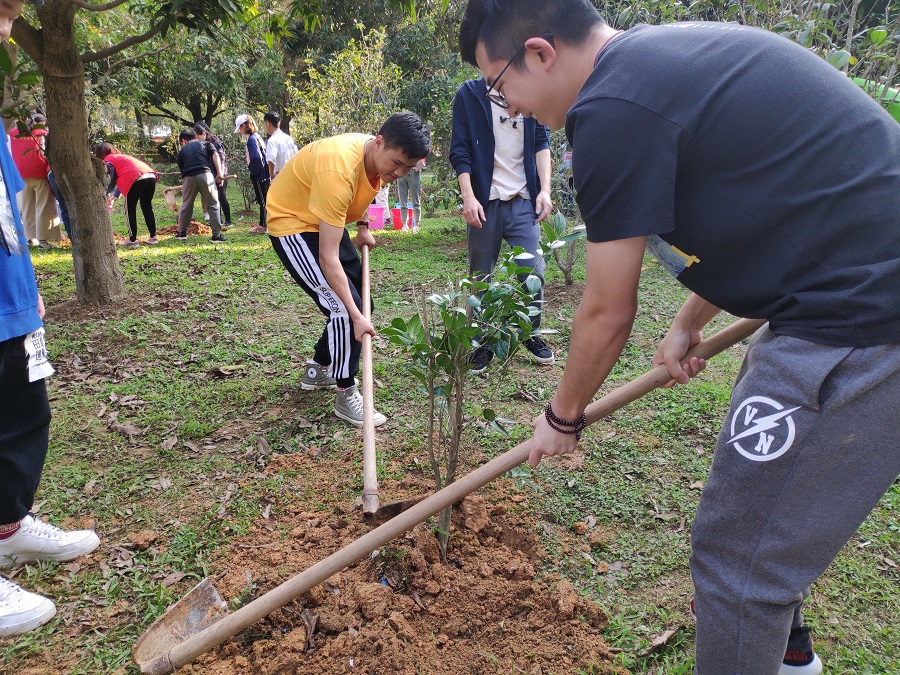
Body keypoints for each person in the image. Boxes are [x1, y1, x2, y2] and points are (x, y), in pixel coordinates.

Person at [458, 2, 900, 675]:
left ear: (541, 53)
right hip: (839, 294)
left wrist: (562, 415)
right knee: (764, 513)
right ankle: (789, 655)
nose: (509, 107)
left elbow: (606, 310)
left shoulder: (611, 108)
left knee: (736, 562)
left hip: (863, 316)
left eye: (500, 86)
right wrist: (689, 321)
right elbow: (763, 208)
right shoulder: (657, 65)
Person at [0, 0, 101, 638]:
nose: (7, 32)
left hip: (9, 298)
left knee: (21, 417)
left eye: (11, 16)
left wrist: (25, 287)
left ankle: (7, 529)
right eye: (1, 12)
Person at [265, 111, 431, 427]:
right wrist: (355, 317)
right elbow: (328, 258)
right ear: (379, 142)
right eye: (396, 163)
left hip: (325, 218)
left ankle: (318, 368)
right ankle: (345, 391)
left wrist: (364, 225)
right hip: (293, 222)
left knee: (361, 302)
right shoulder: (338, 169)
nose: (398, 173)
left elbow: (371, 185)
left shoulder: (378, 158)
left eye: (407, 169)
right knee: (344, 308)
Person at [449, 76, 554, 373]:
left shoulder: (531, 87)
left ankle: (530, 333)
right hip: (485, 200)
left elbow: (541, 142)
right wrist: (469, 198)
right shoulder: (470, 95)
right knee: (481, 276)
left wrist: (544, 190)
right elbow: (461, 150)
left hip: (524, 200)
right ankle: (480, 342)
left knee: (534, 270)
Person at [8, 112, 62, 249]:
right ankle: (43, 240)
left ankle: (30, 237)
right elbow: (44, 153)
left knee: (27, 207)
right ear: (41, 122)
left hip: (21, 173)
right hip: (39, 172)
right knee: (44, 206)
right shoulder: (42, 133)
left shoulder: (14, 133)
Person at [94, 143, 158, 248]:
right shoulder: (120, 157)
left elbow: (112, 179)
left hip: (136, 177)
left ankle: (132, 239)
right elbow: (124, 176)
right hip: (150, 175)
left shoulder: (107, 160)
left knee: (130, 208)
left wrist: (105, 193)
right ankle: (153, 237)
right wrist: (114, 196)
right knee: (146, 206)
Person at [175, 128, 226, 243]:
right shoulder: (206, 144)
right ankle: (216, 235)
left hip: (189, 177)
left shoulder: (182, 151)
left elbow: (182, 169)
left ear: (184, 141)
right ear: (195, 137)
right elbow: (215, 156)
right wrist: (219, 173)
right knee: (213, 204)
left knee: (186, 204)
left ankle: (182, 233)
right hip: (205, 175)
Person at [193, 122, 232, 231]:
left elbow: (221, 160)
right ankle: (218, 220)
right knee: (214, 199)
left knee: (221, 197)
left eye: (198, 136)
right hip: (211, 175)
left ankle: (228, 220)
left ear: (203, 133)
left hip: (220, 175)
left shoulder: (215, 144)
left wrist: (221, 175)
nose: (197, 140)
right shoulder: (204, 145)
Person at [235, 114, 269, 234]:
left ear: (244, 126)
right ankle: (264, 224)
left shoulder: (251, 139)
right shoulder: (256, 137)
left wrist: (255, 172)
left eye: (239, 128)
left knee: (263, 201)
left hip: (260, 175)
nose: (239, 131)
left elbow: (255, 157)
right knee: (264, 200)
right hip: (263, 173)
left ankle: (263, 226)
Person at [263, 111, 298, 181]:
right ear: (279, 123)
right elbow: (296, 156)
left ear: (268, 123)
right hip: (292, 176)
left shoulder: (272, 141)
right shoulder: (289, 139)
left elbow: (271, 159)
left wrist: (272, 176)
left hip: (279, 177)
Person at [395, 157, 425, 232]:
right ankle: (404, 225)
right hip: (401, 172)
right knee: (402, 200)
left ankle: (416, 225)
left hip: (414, 172)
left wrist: (416, 168)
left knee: (415, 200)